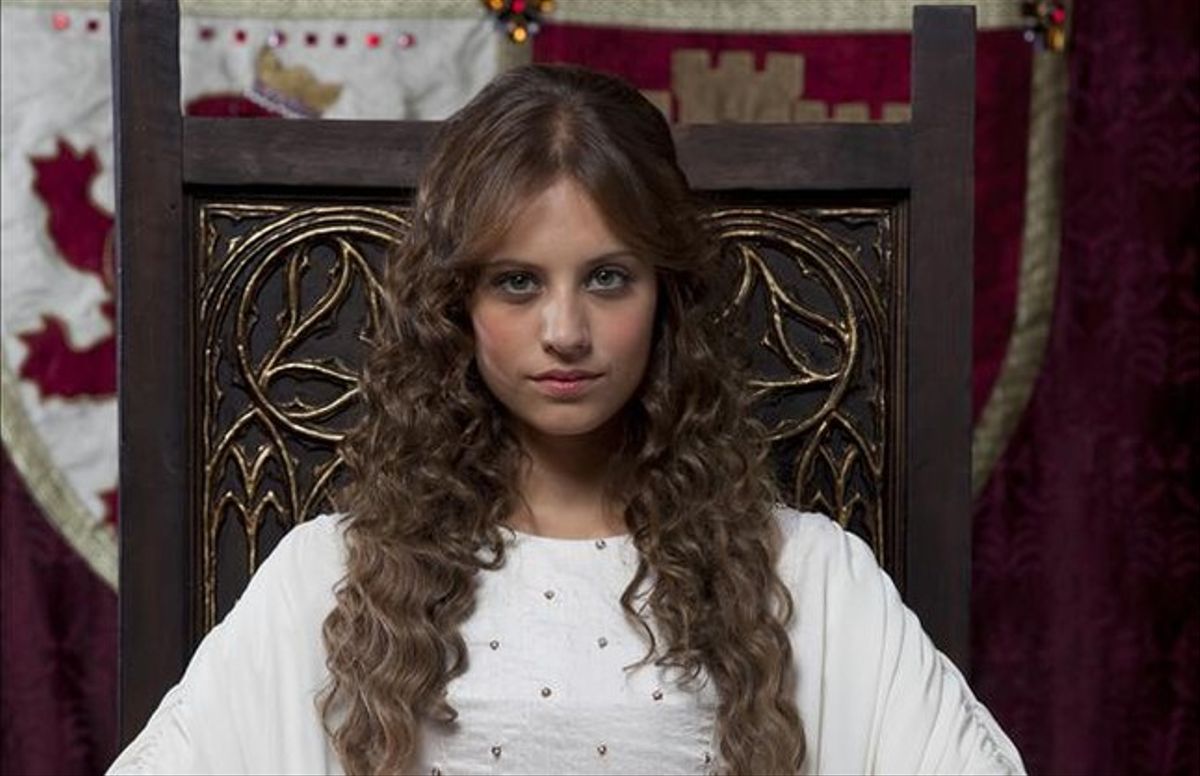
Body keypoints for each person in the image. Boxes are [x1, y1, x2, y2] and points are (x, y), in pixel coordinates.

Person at [107, 64, 1025, 776]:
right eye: (518, 282)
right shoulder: (330, 580)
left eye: (607, 278)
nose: (566, 332)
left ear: (667, 295)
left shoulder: (806, 577)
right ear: (457, 305)